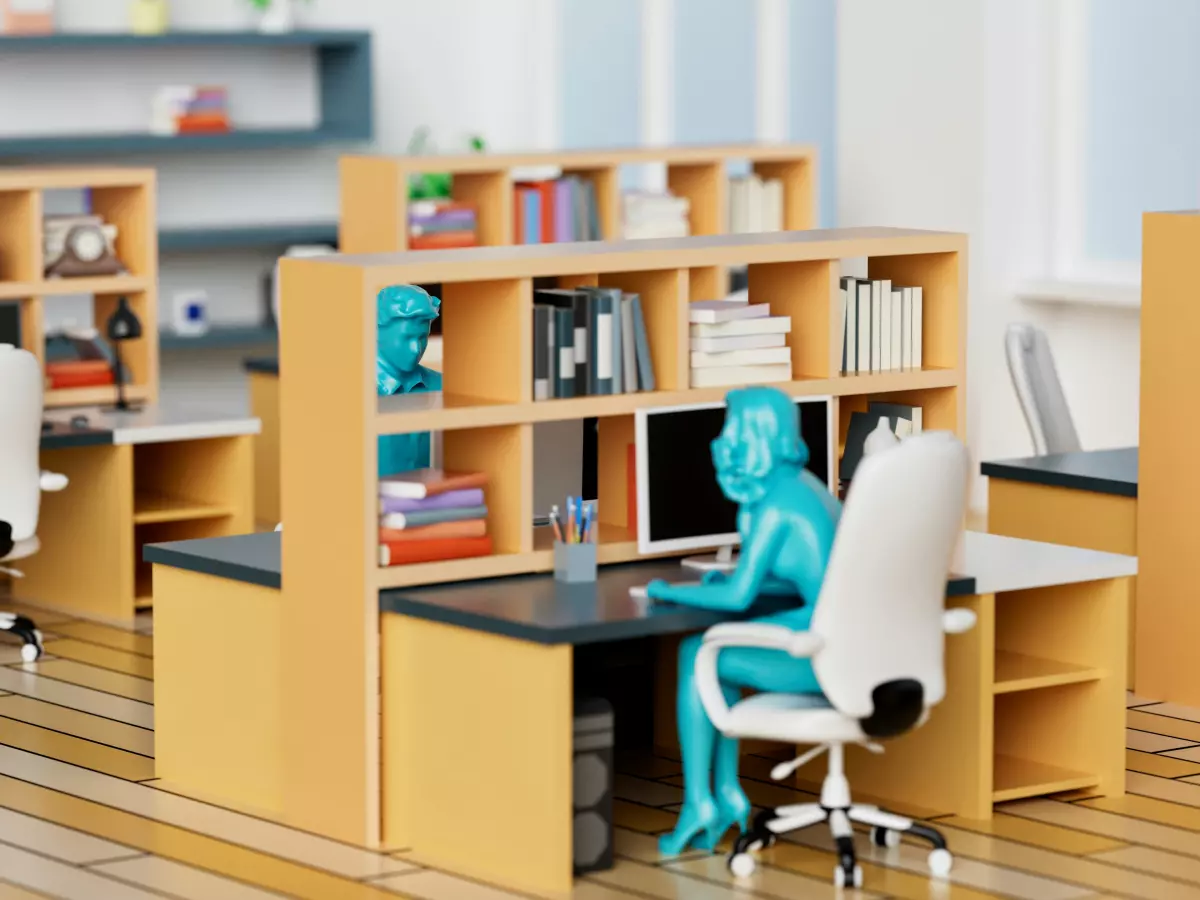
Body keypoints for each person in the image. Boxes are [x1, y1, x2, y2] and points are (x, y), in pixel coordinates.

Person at [646, 386, 842, 857]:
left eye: (732, 428)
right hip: (849, 638)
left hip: (825, 652)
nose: (723, 439)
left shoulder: (773, 504)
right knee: (715, 652)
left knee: (699, 655)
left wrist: (668, 590)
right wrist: (730, 579)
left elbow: (738, 598)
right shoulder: (807, 487)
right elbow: (801, 582)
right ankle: (727, 791)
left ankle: (699, 802)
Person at [376, 285, 442, 477]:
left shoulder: (440, 386)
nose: (415, 349)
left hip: (431, 499)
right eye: (405, 338)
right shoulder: (352, 390)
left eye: (423, 337)